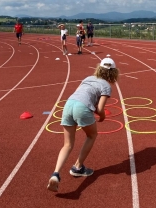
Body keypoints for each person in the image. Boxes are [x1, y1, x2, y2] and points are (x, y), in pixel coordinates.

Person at [47, 57, 120, 192]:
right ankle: (78, 167)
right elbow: (99, 109)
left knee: (67, 145)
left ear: (99, 68)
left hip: (69, 104)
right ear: (113, 73)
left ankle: (55, 174)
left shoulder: (87, 78)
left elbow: (78, 93)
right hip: (82, 107)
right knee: (92, 135)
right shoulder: (106, 86)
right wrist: (102, 117)